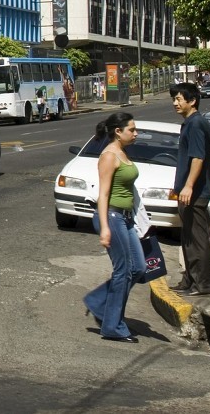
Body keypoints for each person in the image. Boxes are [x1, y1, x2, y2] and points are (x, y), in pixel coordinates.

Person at [83, 111, 145, 342]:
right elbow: (104, 194)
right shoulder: (109, 156)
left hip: (126, 218)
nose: (136, 133)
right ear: (118, 132)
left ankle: (99, 300)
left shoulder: (122, 151)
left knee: (139, 268)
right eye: (132, 130)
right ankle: (112, 326)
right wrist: (105, 227)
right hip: (112, 217)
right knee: (123, 271)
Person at [170, 81, 210, 296]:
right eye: (174, 99)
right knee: (188, 238)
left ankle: (203, 284)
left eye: (179, 99)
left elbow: (198, 157)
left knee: (197, 240)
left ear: (192, 101)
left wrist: (188, 186)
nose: (175, 103)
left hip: (195, 192)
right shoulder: (190, 123)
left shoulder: (196, 124)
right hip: (187, 192)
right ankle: (189, 280)